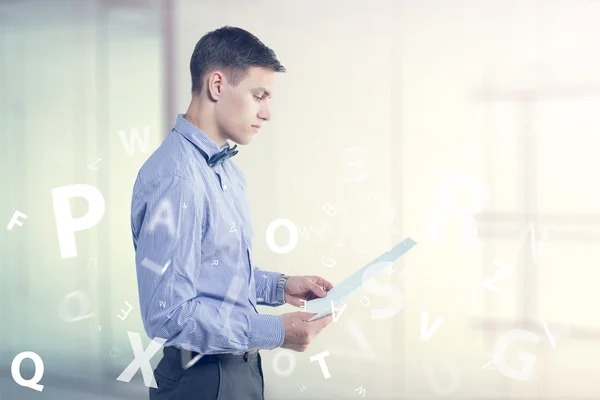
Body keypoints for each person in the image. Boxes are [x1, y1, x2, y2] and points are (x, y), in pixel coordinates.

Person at [130, 26, 334, 400]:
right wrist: (276, 331)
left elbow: (210, 271)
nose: (267, 113)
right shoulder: (176, 178)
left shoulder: (225, 171)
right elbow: (169, 315)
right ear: (218, 85)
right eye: (259, 96)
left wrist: (279, 286)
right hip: (202, 379)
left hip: (238, 372)